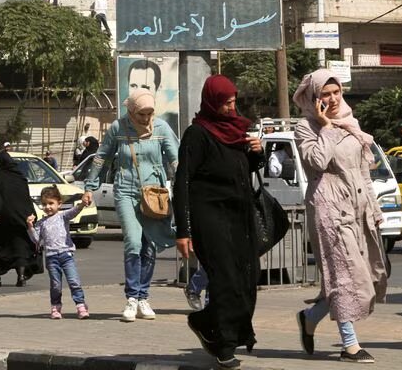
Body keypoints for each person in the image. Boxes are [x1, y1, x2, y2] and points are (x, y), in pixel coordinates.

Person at [293, 70, 387, 364]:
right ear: (314, 97)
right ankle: (350, 346)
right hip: (329, 210)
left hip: (356, 209)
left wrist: (374, 209)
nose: (332, 99)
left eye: (336, 93)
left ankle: (310, 318)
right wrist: (325, 126)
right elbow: (317, 162)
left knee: (366, 277)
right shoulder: (305, 127)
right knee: (345, 276)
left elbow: (362, 173)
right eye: (325, 94)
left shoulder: (351, 123)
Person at [173, 75, 263, 370]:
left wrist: (256, 154)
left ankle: (205, 321)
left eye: (233, 101)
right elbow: (182, 182)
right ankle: (224, 346)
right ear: (212, 101)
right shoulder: (197, 134)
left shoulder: (237, 130)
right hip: (209, 216)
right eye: (225, 102)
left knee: (246, 278)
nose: (230, 107)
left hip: (239, 215)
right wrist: (183, 231)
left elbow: (242, 168)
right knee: (224, 279)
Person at [81, 88, 178, 323]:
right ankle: (131, 298)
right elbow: (102, 156)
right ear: (132, 110)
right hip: (125, 191)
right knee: (133, 242)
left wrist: (186, 185)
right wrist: (89, 187)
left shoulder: (162, 128)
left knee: (150, 245)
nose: (145, 119)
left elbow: (175, 159)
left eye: (149, 114)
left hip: (154, 193)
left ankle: (144, 297)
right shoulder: (118, 128)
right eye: (141, 114)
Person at [27, 185, 89, 320]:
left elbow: (74, 211)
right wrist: (30, 226)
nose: (48, 207)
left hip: (66, 255)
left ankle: (81, 305)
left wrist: (82, 205)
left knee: (74, 282)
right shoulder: (42, 223)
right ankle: (55, 307)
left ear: (59, 204)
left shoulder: (63, 217)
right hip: (51, 257)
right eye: (44, 204)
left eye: (51, 203)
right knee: (56, 285)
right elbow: (36, 240)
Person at [0, 151, 38, 287]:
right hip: (22, 215)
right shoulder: (21, 176)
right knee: (20, 244)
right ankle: (21, 277)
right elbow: (26, 197)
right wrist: (31, 214)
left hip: (5, 216)